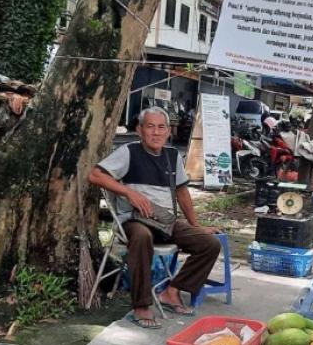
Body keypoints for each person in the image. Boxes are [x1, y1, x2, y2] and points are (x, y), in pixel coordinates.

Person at [88, 107, 221, 329]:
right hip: (133, 220)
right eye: (150, 126)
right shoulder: (129, 151)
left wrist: (196, 225)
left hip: (165, 220)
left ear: (169, 131)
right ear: (140, 130)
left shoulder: (172, 156)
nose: (156, 132)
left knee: (209, 244)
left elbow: (182, 192)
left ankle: (171, 292)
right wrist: (129, 192)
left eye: (161, 127)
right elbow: (95, 175)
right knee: (142, 237)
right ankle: (141, 305)